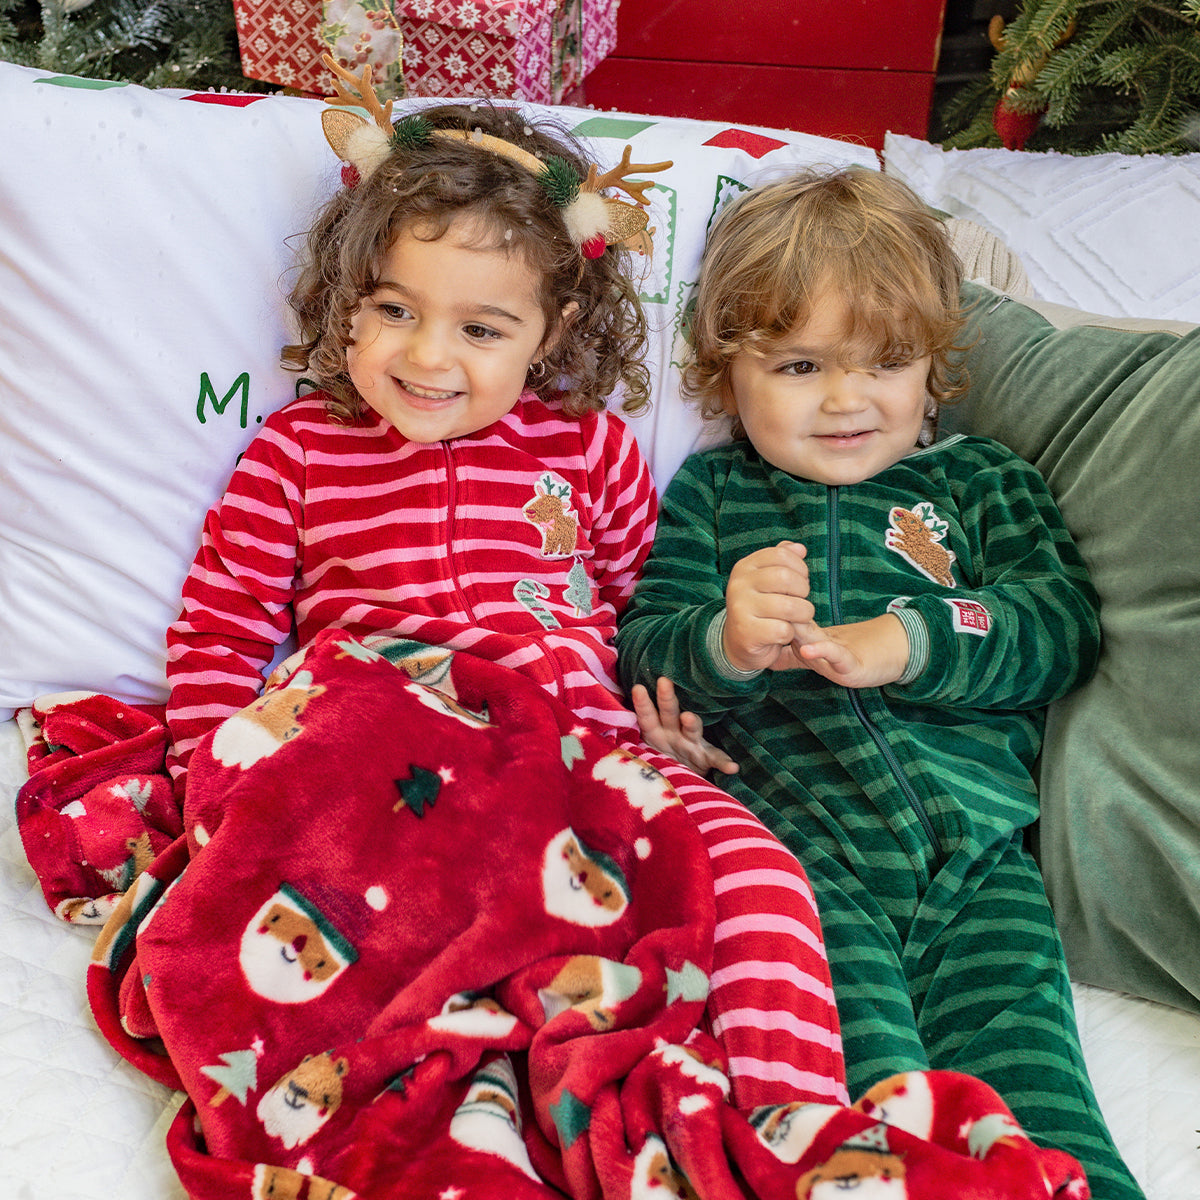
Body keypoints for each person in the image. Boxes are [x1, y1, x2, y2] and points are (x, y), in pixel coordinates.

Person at [163, 75, 846, 1112]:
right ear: (349, 297)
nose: (427, 356)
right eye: (394, 308)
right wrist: (210, 793)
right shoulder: (297, 452)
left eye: (481, 330)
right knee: (406, 949)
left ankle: (789, 1122)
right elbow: (222, 628)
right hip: (390, 766)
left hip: (578, 748)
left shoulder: (586, 448)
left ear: (554, 330)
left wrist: (666, 716)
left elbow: (650, 612)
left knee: (760, 874)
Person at [615, 166, 1145, 1199]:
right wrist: (722, 640)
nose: (849, 399)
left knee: (1045, 1110)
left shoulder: (980, 481)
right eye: (803, 363)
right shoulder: (717, 494)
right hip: (805, 864)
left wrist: (912, 639)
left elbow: (1058, 627)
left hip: (981, 861)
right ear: (730, 378)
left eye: (887, 362)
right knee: (865, 1123)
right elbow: (643, 650)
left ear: (934, 371)